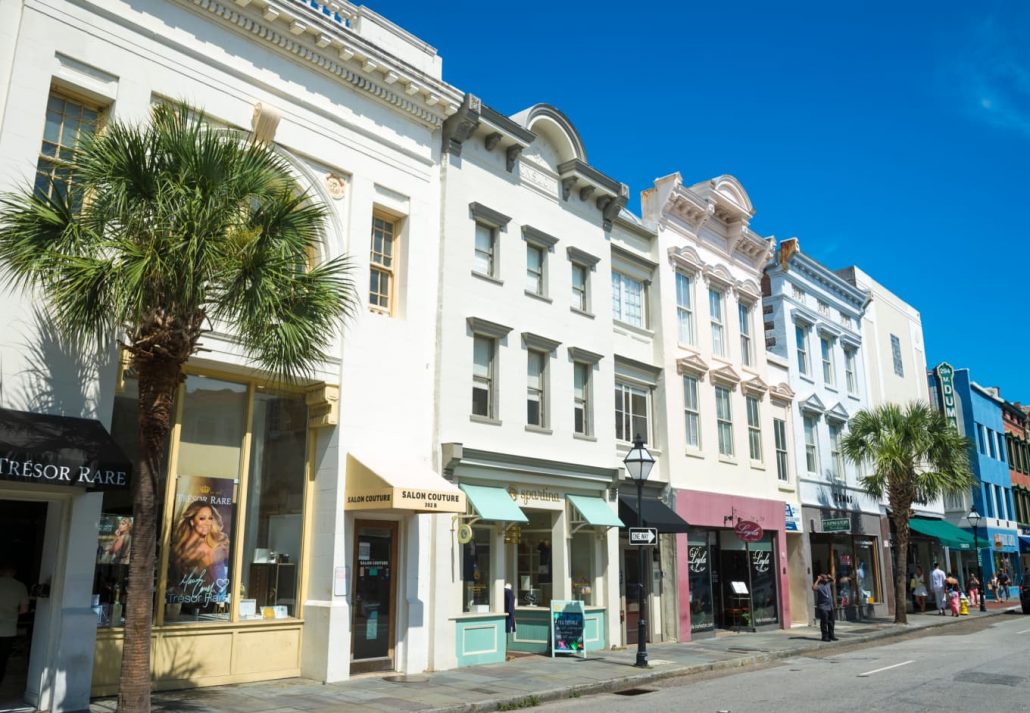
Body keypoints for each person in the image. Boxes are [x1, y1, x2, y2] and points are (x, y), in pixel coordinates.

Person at [171, 502, 230, 600]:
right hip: (190, 601)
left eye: (210, 518)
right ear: (192, 522)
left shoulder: (220, 544)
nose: (207, 522)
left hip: (218, 600)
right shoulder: (182, 550)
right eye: (202, 518)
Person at [0, 561, 29, 682]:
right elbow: (24, 610)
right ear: (14, 573)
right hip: (8, 628)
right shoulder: (20, 586)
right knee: (2, 659)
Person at [812, 573, 837, 642]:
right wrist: (818, 579)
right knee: (824, 622)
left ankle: (831, 635)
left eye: (826, 578)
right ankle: (825, 637)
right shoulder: (819, 586)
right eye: (824, 578)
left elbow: (834, 581)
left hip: (830, 606)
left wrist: (830, 577)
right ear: (821, 579)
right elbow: (813, 588)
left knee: (831, 622)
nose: (826, 579)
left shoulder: (828, 584)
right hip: (823, 607)